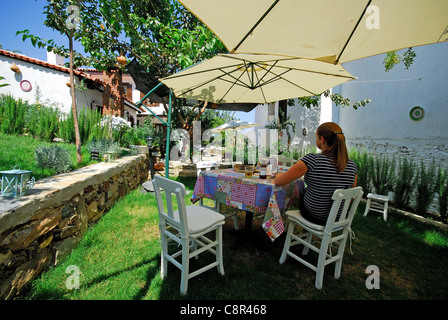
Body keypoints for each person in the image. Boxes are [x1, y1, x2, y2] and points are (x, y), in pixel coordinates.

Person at [274, 122, 358, 225]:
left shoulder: (312, 160)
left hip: (314, 216)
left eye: (316, 137)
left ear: (322, 140)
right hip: (339, 217)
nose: (316, 139)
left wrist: (278, 176)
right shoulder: (352, 165)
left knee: (302, 192)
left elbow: (279, 181)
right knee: (306, 191)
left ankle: (280, 222)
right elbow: (351, 193)